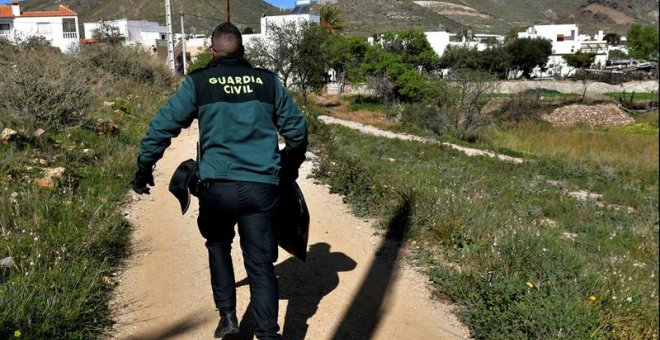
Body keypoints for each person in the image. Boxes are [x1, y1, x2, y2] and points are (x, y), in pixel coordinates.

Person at [131, 22, 308, 339]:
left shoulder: (199, 83)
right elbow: (297, 132)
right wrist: (286, 169)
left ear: (212, 52)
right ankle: (268, 334)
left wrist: (144, 168)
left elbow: (162, 126)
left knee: (218, 246)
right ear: (243, 51)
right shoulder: (268, 83)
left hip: (217, 188)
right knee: (260, 264)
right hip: (261, 189)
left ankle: (228, 319)